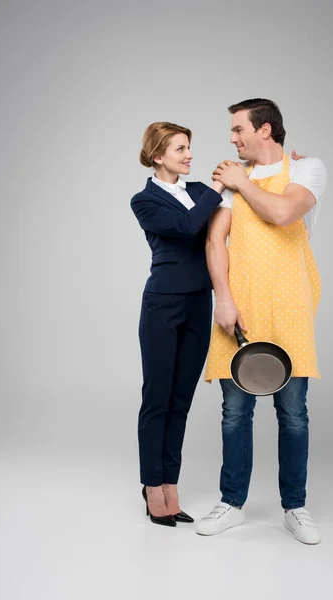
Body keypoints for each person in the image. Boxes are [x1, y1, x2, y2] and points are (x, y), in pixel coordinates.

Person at [196, 99, 327, 544]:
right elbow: (215, 242)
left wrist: (239, 180)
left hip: (289, 304)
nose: (232, 139)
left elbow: (283, 213)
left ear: (265, 130)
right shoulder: (231, 180)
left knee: (293, 414)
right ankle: (231, 503)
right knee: (235, 413)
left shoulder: (307, 170)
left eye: (238, 130)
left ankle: (296, 507)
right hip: (241, 307)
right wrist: (224, 300)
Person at [130, 122, 224, 526]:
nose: (189, 155)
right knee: (157, 398)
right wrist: (220, 192)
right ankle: (153, 487)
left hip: (199, 303)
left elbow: (247, 188)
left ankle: (171, 483)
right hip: (162, 305)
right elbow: (187, 229)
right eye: (180, 149)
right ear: (157, 156)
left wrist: (288, 164)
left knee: (180, 402)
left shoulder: (200, 191)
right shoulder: (144, 201)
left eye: (189, 148)